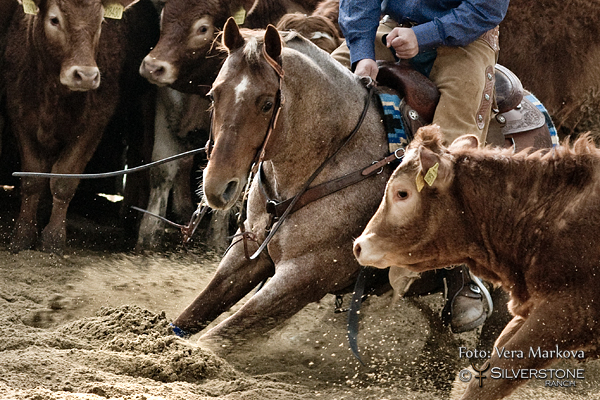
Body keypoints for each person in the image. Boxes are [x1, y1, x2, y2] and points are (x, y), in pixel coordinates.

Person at [333, 0, 510, 332]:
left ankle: (457, 274)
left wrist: (429, 34)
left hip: (464, 40)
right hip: (390, 27)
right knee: (322, 85)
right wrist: (361, 52)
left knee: (451, 141)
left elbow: (487, 7)